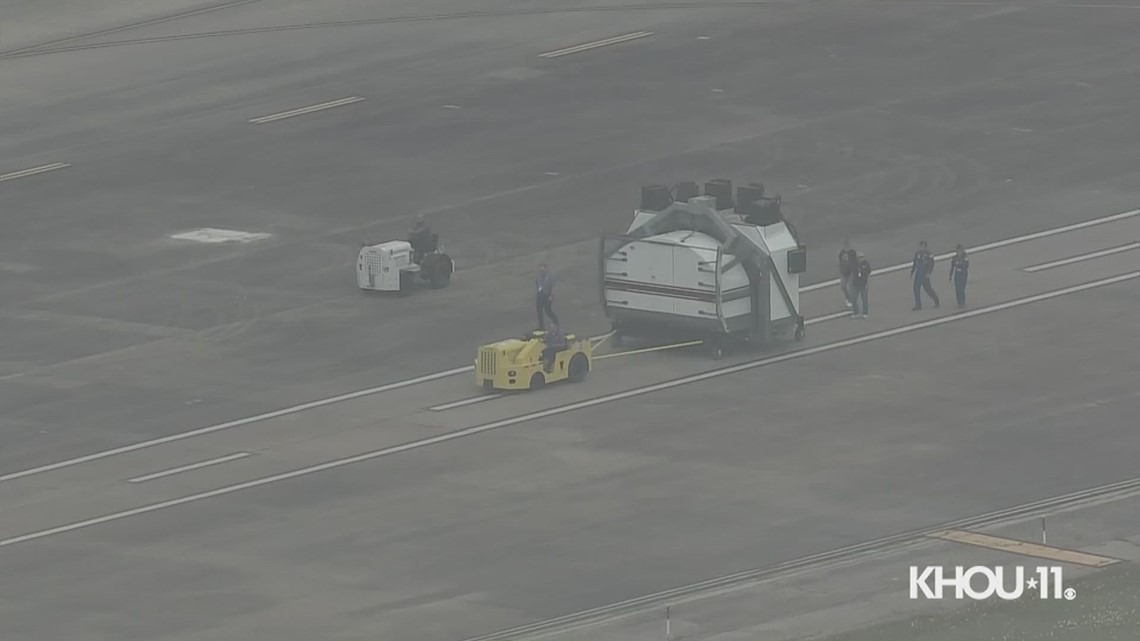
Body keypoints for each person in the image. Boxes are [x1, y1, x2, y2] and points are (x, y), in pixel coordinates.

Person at [910, 240, 940, 310]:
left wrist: (929, 273)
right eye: (921, 246)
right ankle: (918, 305)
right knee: (916, 288)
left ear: (926, 247)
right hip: (918, 273)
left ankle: (936, 300)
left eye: (923, 246)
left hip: (925, 274)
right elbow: (915, 263)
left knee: (927, 289)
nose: (922, 248)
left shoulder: (929, 254)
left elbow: (931, 264)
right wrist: (912, 272)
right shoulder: (917, 253)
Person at [535, 263, 559, 330]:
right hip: (540, 295)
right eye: (540, 268)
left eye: (543, 268)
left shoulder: (551, 276)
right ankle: (541, 326)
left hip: (547, 295)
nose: (541, 270)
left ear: (546, 268)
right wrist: (538, 291)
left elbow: (553, 286)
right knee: (539, 310)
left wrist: (551, 295)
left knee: (547, 310)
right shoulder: (539, 276)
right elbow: (537, 283)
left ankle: (556, 321)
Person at [850, 252, 871, 318]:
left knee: (864, 299)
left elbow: (869, 271)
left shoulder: (866, 264)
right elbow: (852, 272)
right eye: (859, 258)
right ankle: (856, 312)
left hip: (863, 284)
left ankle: (865, 313)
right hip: (856, 284)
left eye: (861, 257)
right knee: (854, 299)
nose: (860, 259)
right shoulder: (855, 265)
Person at [838, 240, 857, 308]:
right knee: (843, 286)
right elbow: (841, 262)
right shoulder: (841, 253)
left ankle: (853, 301)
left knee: (852, 287)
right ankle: (848, 299)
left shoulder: (852, 253)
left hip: (851, 273)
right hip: (844, 273)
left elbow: (855, 263)